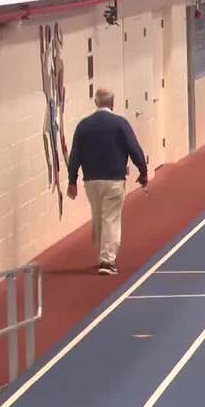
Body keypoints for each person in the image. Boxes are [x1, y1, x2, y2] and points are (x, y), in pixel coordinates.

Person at [65, 88, 148, 276]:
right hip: (113, 180)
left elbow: (75, 155)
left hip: (91, 181)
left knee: (98, 217)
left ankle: (102, 253)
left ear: (96, 102)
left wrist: (72, 181)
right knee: (110, 218)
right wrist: (143, 171)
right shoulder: (120, 124)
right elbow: (134, 149)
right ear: (112, 103)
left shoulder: (83, 126)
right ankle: (107, 261)